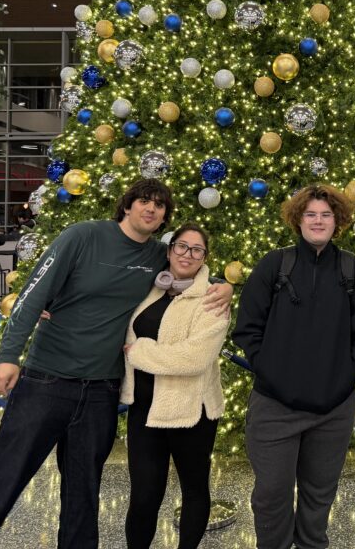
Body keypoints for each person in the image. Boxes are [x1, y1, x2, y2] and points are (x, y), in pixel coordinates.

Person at [0, 179, 233, 549]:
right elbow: (33, 293)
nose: (151, 209)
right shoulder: (83, 236)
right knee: (0, 475)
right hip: (47, 381)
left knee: (83, 493)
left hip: (100, 392)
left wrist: (224, 285)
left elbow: (191, 270)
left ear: (163, 220)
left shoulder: (159, 255)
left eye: (159, 206)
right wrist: (9, 355)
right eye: (144, 200)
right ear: (127, 205)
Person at [233, 183, 355, 549]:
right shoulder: (275, 264)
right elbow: (247, 329)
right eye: (311, 214)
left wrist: (345, 376)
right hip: (274, 405)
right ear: (298, 219)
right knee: (271, 494)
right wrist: (271, 372)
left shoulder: (352, 269)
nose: (318, 221)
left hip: (333, 408)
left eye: (326, 215)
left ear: (338, 221)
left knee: (319, 495)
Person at [122, 223, 230, 549]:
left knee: (194, 490)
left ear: (204, 258)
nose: (188, 254)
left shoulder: (211, 298)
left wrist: (140, 352)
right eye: (182, 246)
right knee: (142, 497)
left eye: (197, 250)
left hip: (191, 412)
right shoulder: (150, 287)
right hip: (144, 411)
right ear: (170, 250)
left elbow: (194, 358)